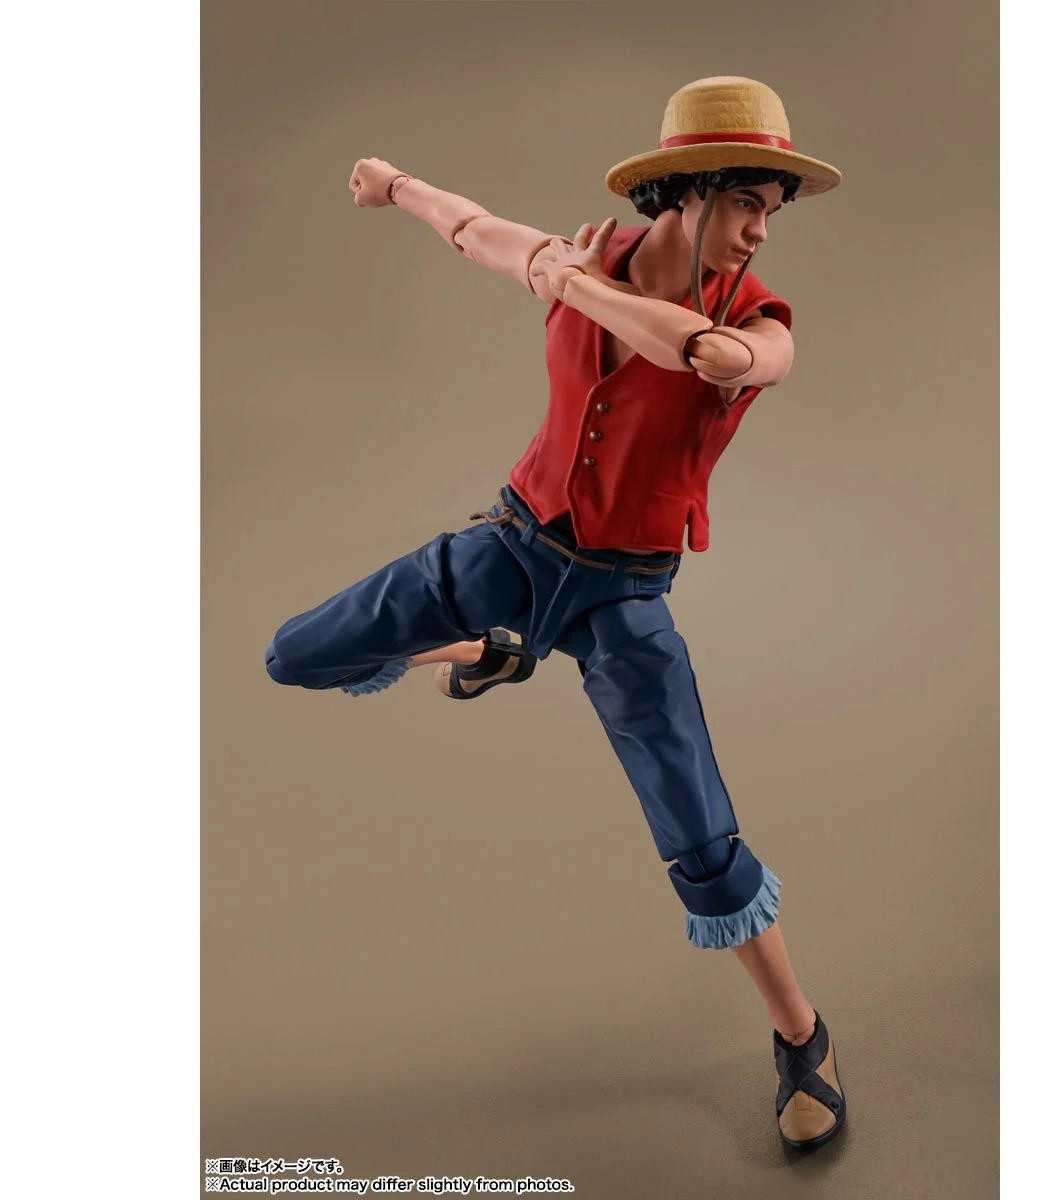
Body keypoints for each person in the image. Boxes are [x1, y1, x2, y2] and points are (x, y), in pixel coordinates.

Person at [264, 76, 847, 1152]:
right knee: (294, 654)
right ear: (685, 193)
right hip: (510, 549)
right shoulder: (586, 259)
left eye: (773, 209)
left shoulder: (754, 320)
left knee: (701, 840)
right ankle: (489, 645)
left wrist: (566, 281)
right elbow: (474, 230)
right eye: (745, 203)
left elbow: (705, 355)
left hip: (626, 599)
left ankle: (802, 1036)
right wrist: (399, 187)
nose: (761, 231)